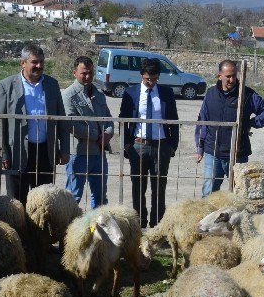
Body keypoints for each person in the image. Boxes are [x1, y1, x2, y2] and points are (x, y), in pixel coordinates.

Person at [0, 43, 69, 204]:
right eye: (34, 62)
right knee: (16, 202)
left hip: (45, 151)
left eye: (41, 62)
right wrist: (3, 153)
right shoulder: (6, 86)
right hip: (17, 153)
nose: (39, 66)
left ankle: (39, 230)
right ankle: (19, 229)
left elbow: (61, 119)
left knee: (43, 202)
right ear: (23, 63)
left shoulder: (52, 85)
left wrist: (64, 149)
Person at [194, 59, 264, 196]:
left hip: (238, 153)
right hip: (212, 152)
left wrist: (249, 123)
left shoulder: (246, 94)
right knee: (209, 193)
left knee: (239, 193)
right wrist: (200, 148)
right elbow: (203, 120)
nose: (232, 80)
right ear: (219, 76)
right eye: (228, 76)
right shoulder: (211, 93)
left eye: (234, 75)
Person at [119, 58, 179, 227]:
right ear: (141, 76)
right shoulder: (131, 93)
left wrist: (172, 145)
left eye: (154, 78)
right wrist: (127, 145)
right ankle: (139, 224)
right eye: (147, 79)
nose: (151, 82)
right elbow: (123, 119)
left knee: (159, 188)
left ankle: (157, 225)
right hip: (138, 146)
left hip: (161, 146)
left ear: (158, 76)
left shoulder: (166, 93)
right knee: (138, 187)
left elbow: (174, 120)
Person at [62, 56, 113, 208]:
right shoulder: (68, 95)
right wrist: (96, 135)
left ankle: (94, 230)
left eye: (90, 73)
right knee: (73, 196)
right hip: (78, 153)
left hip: (99, 153)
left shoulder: (99, 94)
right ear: (74, 73)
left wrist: (108, 133)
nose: (88, 76)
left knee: (99, 197)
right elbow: (71, 124)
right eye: (84, 73)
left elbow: (108, 118)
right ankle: (69, 230)